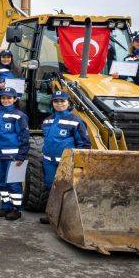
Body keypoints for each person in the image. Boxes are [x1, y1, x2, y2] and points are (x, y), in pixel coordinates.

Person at [39, 90, 91, 224]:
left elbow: (84, 144)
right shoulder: (47, 121)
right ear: (52, 103)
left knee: (66, 188)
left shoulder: (76, 121)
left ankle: (65, 218)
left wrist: (80, 163)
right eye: (56, 101)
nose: (59, 103)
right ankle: (52, 215)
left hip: (66, 163)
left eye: (62, 101)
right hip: (49, 162)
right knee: (51, 186)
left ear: (69, 103)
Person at [0, 87, 30, 221]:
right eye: (3, 98)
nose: (6, 100)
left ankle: (16, 209)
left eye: (9, 98)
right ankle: (5, 206)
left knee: (13, 183)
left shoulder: (19, 115)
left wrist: (22, 156)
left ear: (15, 99)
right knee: (1, 182)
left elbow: (24, 137)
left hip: (14, 157)